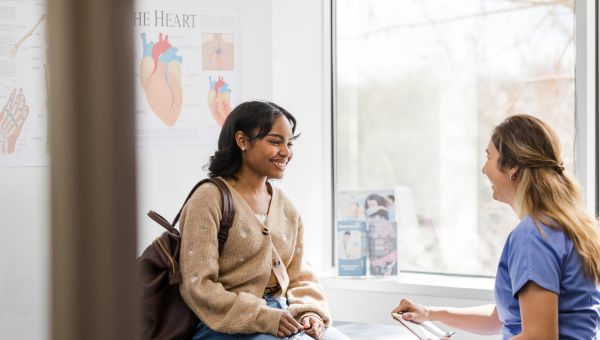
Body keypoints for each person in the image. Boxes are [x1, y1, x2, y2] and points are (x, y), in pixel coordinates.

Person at [392, 114, 600, 339]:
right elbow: (503, 318)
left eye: (489, 157)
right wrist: (430, 313)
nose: (484, 169)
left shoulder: (533, 235)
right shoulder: (559, 226)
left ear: (512, 167)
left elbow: (540, 336)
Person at [179, 101, 349, 340]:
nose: (286, 152)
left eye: (289, 144)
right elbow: (198, 286)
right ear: (242, 141)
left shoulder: (286, 207)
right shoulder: (209, 198)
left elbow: (300, 275)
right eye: (275, 141)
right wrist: (263, 316)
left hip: (283, 316)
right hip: (224, 325)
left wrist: (310, 313)